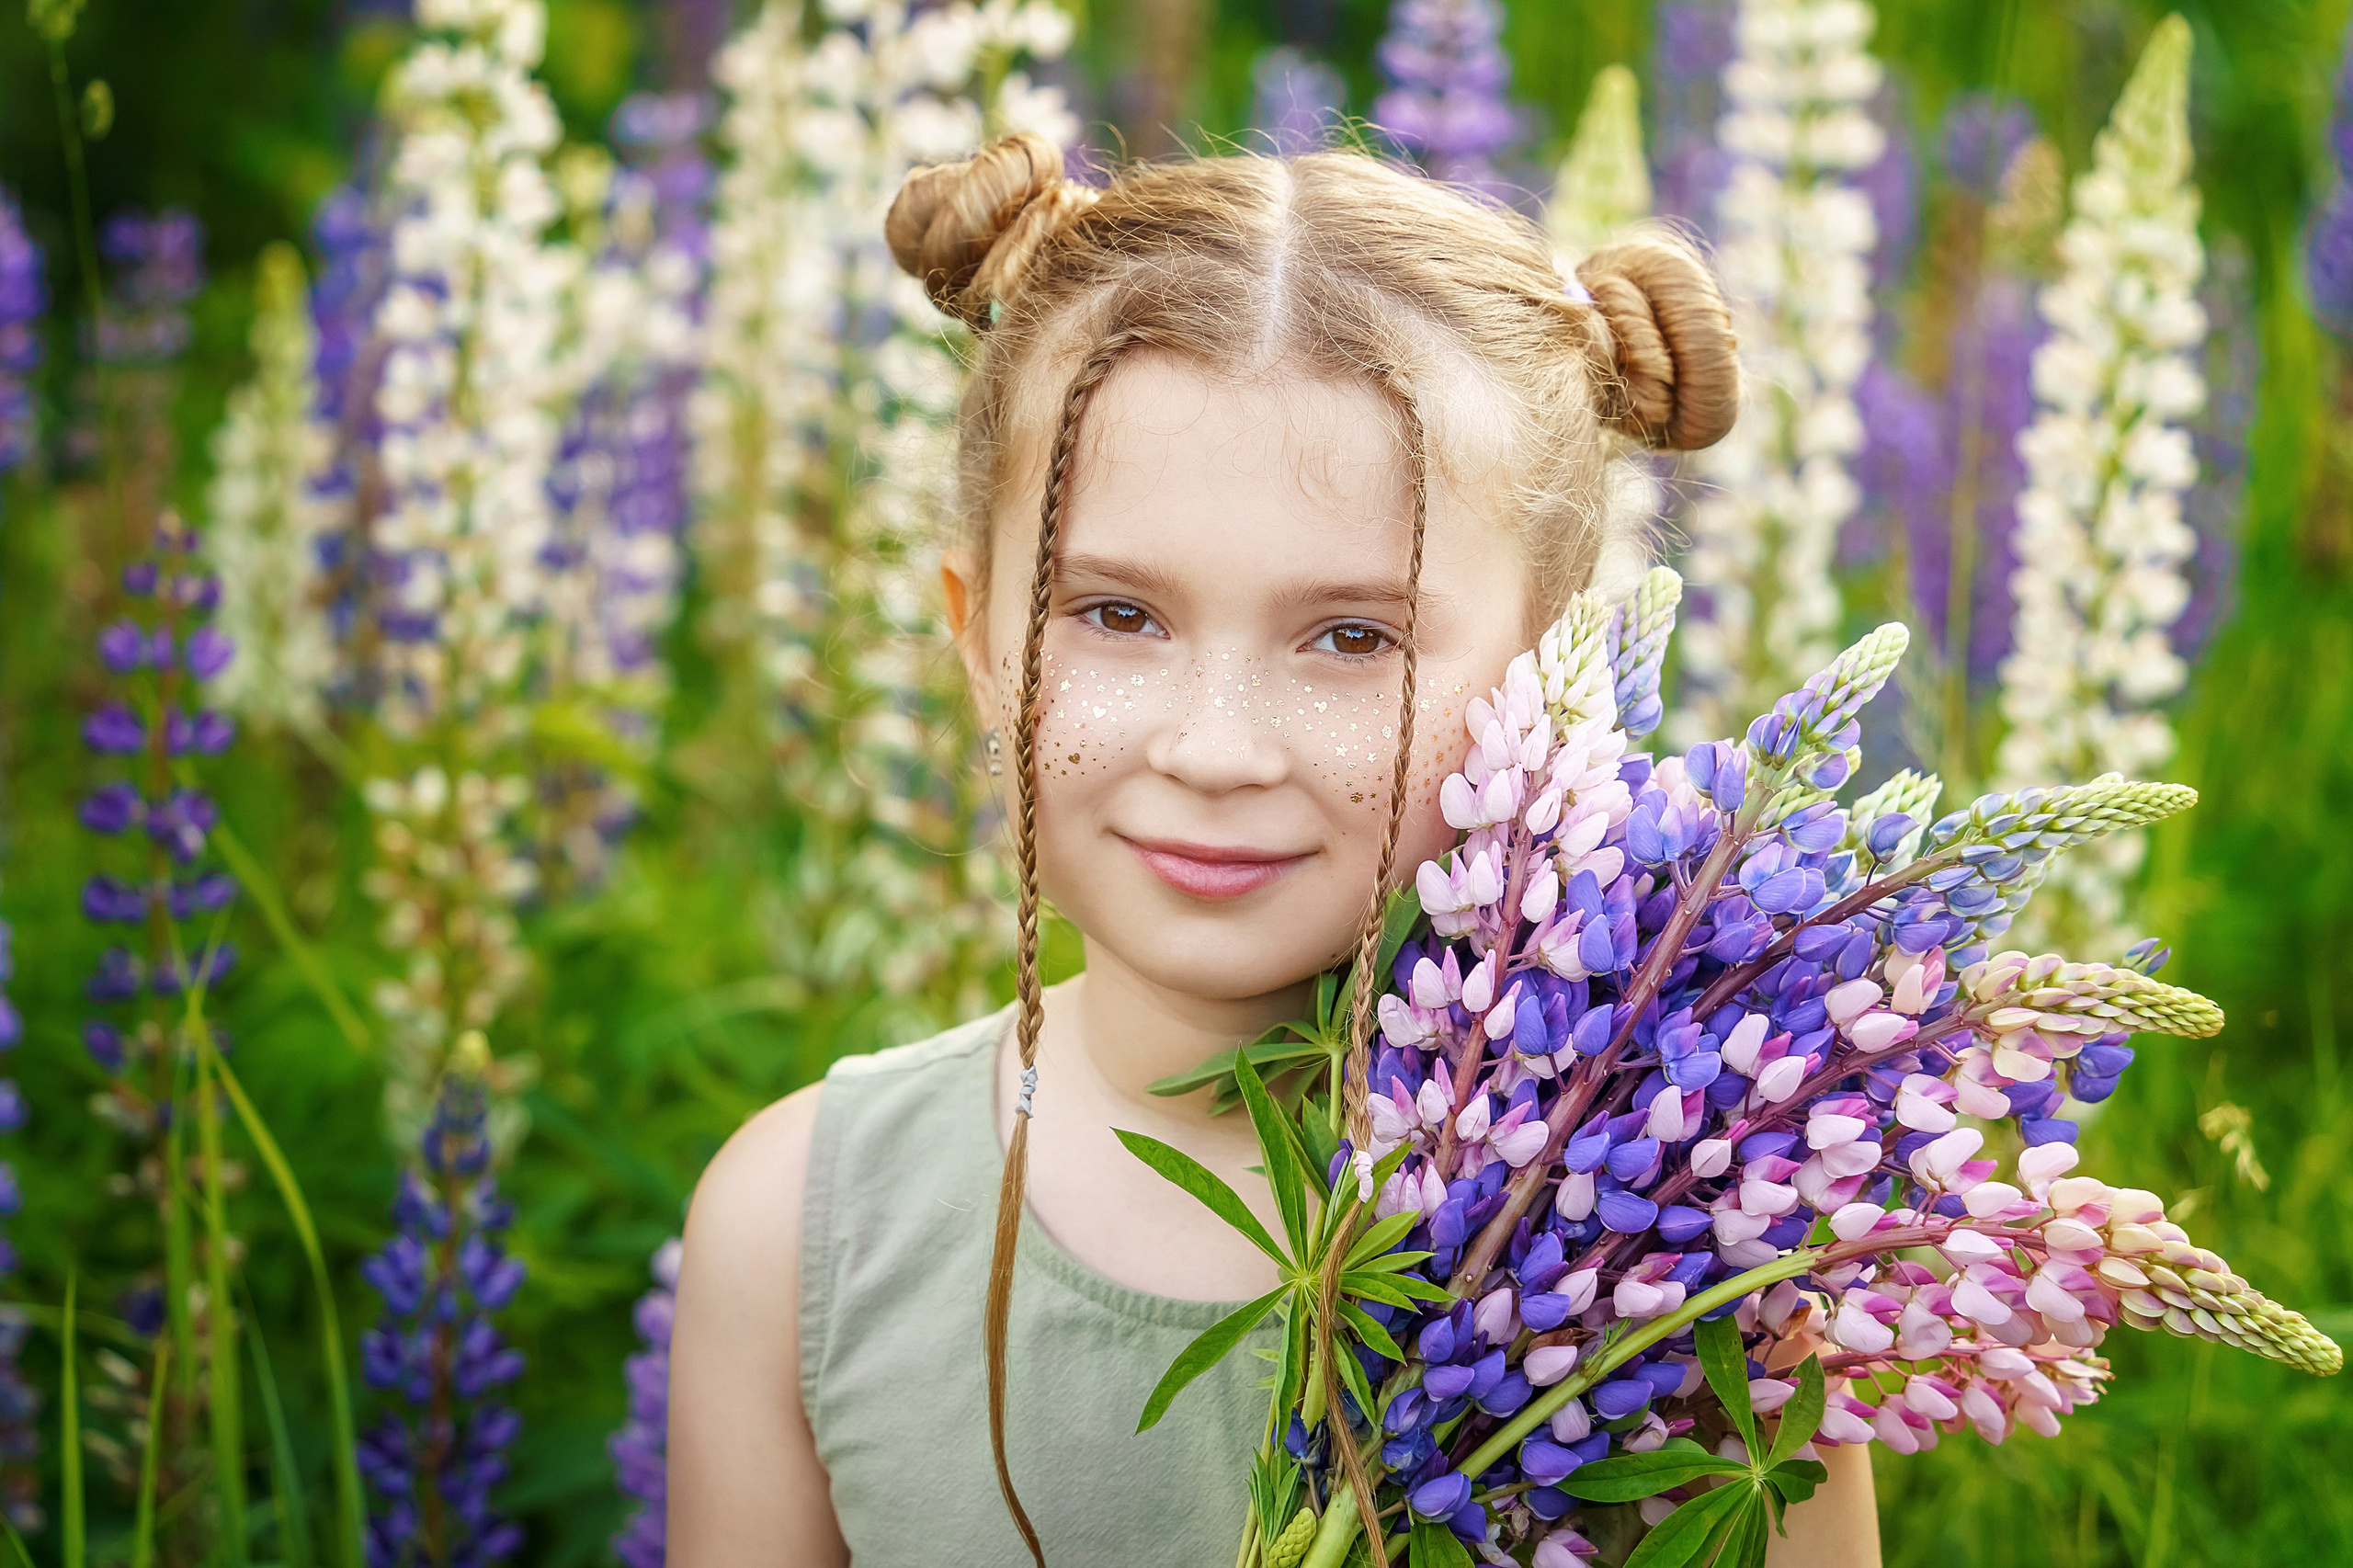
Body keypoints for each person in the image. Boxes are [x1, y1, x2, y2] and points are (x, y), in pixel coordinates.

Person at [667, 131, 1882, 1567]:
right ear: (978, 638)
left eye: (1352, 637)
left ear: (1560, 681)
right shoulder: (798, 1225)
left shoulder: (1674, 1254)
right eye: (1116, 614)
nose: (1217, 744)